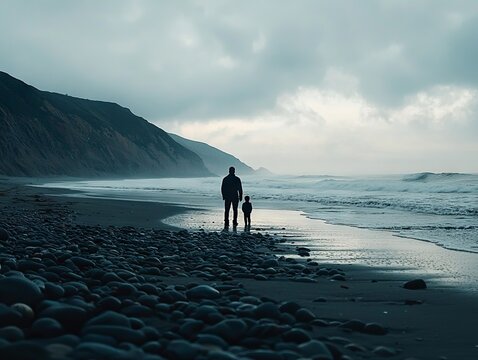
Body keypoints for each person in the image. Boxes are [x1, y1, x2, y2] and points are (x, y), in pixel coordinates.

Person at [221, 166, 243, 230]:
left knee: (227, 209)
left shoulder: (226, 178)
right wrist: (241, 195)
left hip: (228, 196)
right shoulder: (237, 179)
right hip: (234, 196)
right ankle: (234, 221)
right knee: (234, 209)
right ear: (234, 171)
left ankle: (227, 221)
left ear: (229, 171)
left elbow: (223, 188)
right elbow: (240, 188)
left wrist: (224, 195)